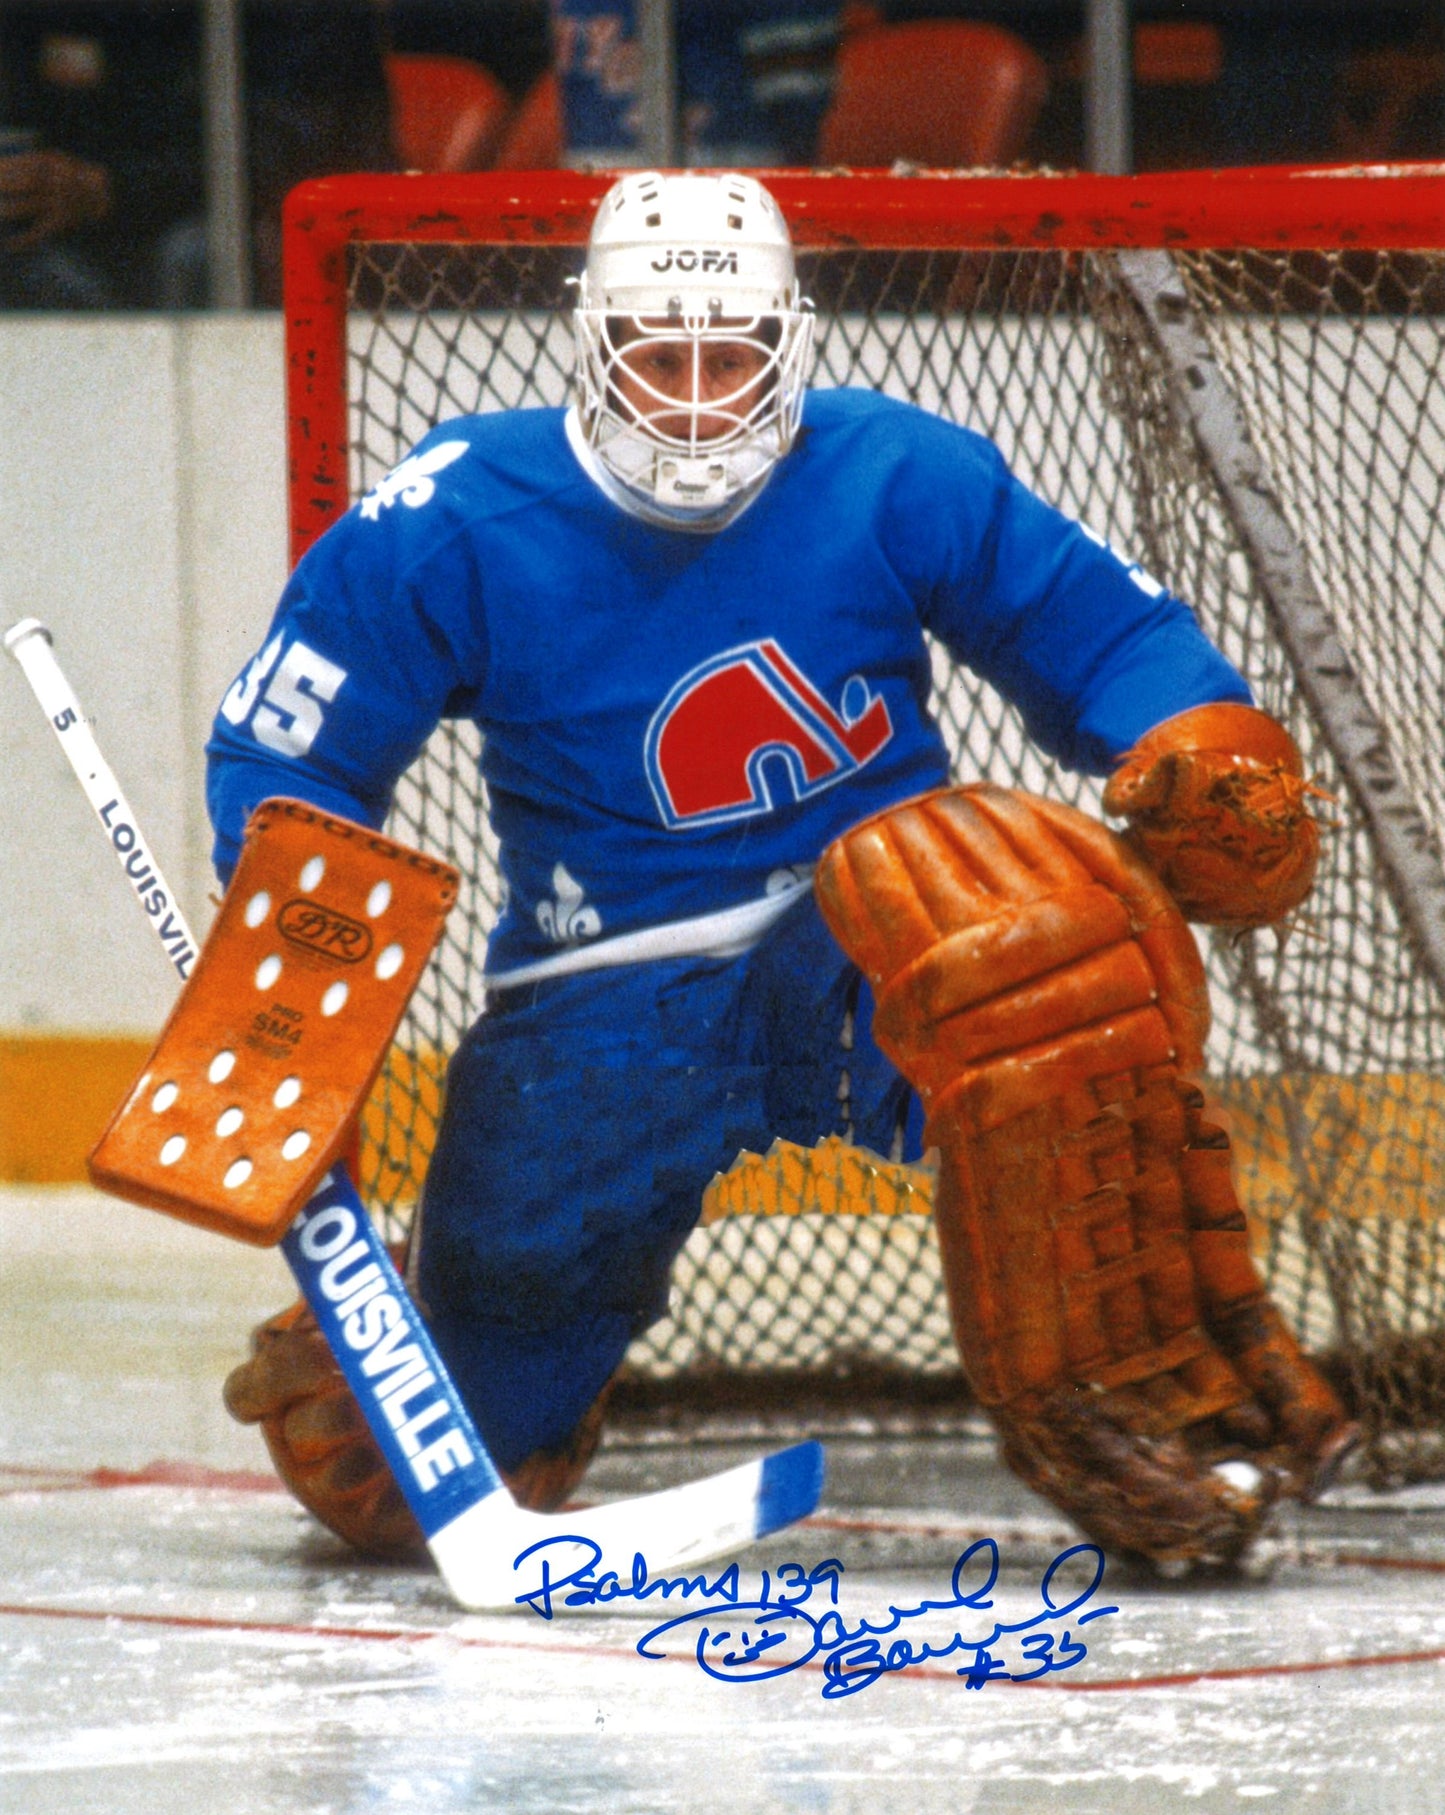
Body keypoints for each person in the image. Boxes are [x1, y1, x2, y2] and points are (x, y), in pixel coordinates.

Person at [214, 169, 1352, 1571]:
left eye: (732, 353)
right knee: (400, 1485)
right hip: (599, 992)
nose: (696, 394)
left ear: (791, 342)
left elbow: (1105, 637)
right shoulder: (454, 512)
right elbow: (292, 760)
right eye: (658, 353)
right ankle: (444, 1347)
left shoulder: (891, 466)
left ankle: (1120, 1394)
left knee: (1047, 951)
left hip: (876, 937)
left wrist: (1197, 742)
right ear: (589, 340)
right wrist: (296, 980)